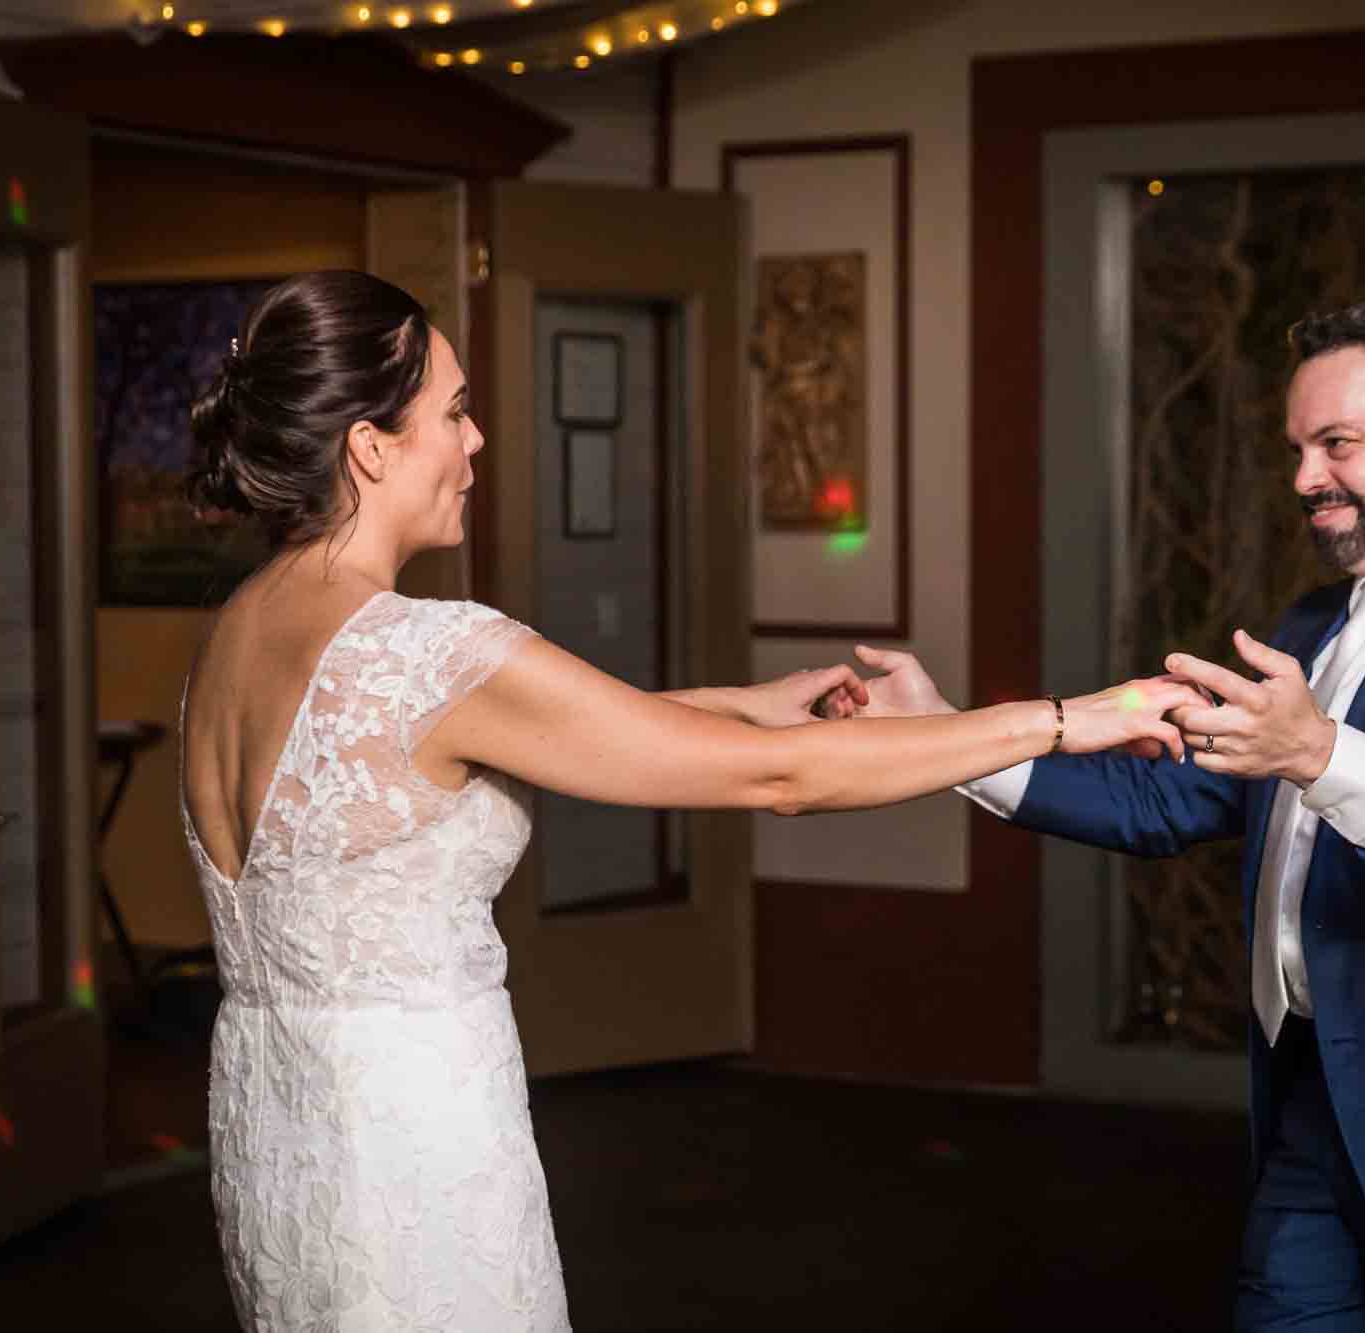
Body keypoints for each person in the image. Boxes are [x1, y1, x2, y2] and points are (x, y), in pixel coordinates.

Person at [176, 270, 1193, 1333]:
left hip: (275, 1130)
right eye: (455, 411)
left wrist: (748, 705)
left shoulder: (239, 636)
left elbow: (453, 751)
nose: (476, 442)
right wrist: (1066, 717)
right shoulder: (427, 649)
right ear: (370, 445)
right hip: (407, 1145)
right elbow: (781, 782)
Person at [850, 298, 1365, 1330]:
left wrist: (1320, 751)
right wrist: (943, 735)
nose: (1302, 477)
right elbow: (1167, 794)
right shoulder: (1312, 623)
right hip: (1309, 1110)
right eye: (1295, 446)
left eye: (1335, 443)